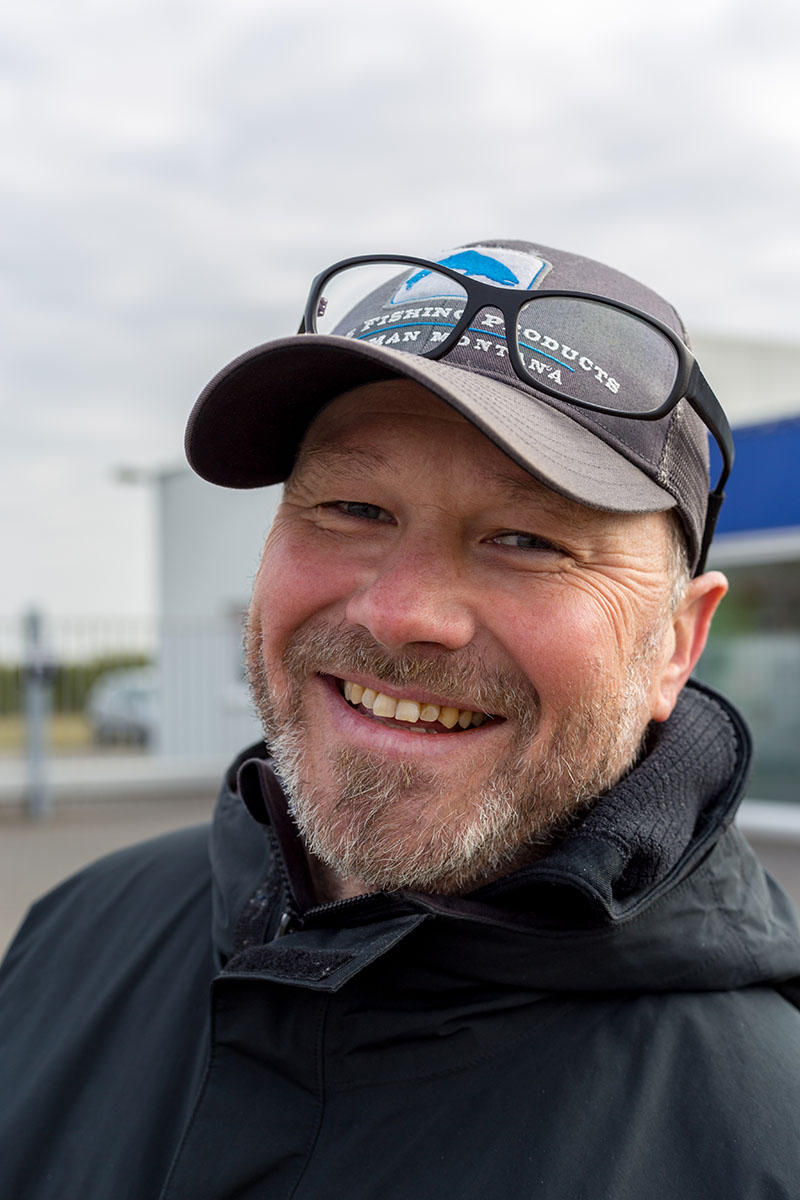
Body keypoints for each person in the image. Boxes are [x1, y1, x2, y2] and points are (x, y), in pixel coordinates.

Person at [2, 239, 799, 1199]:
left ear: (675, 644)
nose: (399, 613)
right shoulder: (79, 930)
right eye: (352, 507)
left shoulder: (767, 1133)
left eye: (527, 538)